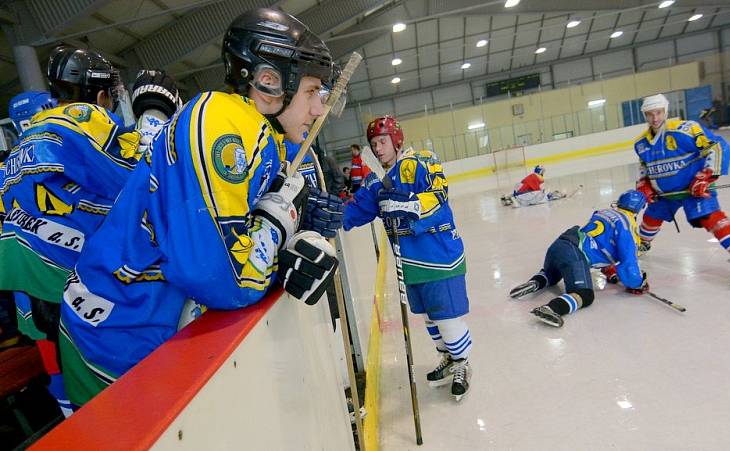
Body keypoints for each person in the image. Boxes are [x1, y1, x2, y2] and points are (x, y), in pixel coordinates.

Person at [58, 8, 341, 407]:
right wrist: (276, 229)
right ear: (268, 81)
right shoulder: (220, 123)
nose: (318, 108)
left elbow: (236, 240)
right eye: (312, 92)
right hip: (115, 334)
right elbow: (221, 277)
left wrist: (293, 231)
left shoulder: (261, 136)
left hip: (136, 321)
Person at [1, 56, 179, 416]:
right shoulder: (86, 118)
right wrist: (154, 116)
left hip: (27, 285)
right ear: (98, 95)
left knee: (61, 376)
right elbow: (138, 174)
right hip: (77, 280)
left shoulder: (22, 144)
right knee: (114, 386)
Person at [343, 115, 473, 402]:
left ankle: (462, 362)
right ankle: (448, 358)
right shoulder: (375, 181)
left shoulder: (423, 161)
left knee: (447, 319)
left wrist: (408, 205)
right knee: (429, 319)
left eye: (382, 141)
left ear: (397, 139)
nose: (377, 148)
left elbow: (439, 197)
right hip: (410, 264)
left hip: (440, 256)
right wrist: (332, 216)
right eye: (373, 144)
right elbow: (357, 209)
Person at [634, 94, 730, 290]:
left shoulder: (685, 129)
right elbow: (644, 165)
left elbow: (717, 147)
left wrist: (706, 176)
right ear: (645, 116)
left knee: (712, 219)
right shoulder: (640, 143)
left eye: (658, 112)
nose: (655, 118)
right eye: (650, 114)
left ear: (665, 112)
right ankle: (642, 244)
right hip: (665, 194)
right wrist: (644, 184)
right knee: (651, 216)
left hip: (693, 190)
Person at [509, 190, 649, 327]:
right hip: (574, 253)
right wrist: (638, 283)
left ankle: (537, 282)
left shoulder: (603, 212)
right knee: (585, 294)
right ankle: (552, 308)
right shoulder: (627, 225)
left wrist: (609, 271)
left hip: (560, 244)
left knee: (553, 273)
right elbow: (628, 264)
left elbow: (602, 245)